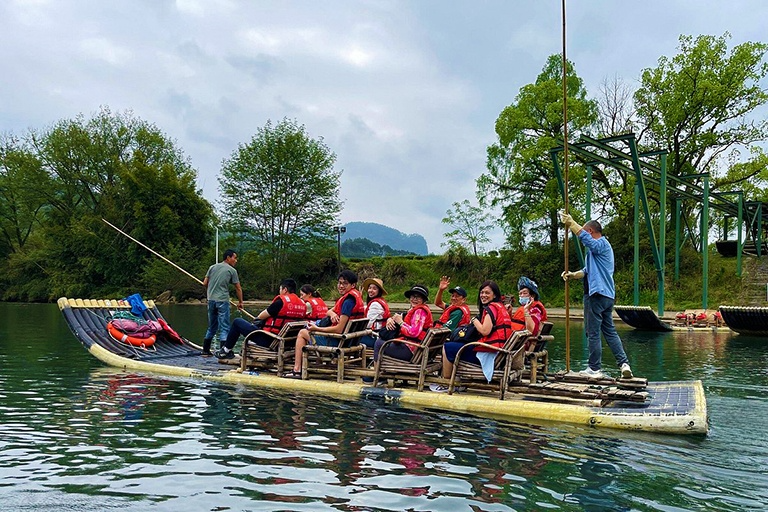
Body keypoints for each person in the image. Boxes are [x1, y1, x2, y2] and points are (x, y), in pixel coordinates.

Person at [559, 212, 633, 379]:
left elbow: (587, 240)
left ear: (591, 231)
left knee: (592, 332)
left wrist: (572, 224)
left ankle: (594, 368)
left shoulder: (601, 244)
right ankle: (623, 364)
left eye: (586, 233)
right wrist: (573, 274)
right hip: (607, 296)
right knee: (610, 331)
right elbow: (586, 271)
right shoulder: (596, 253)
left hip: (596, 295)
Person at [430, 280, 512, 393]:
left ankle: (447, 382)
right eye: (482, 292)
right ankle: (457, 379)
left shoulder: (490, 309)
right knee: (457, 346)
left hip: (489, 355)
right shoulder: (500, 307)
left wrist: (474, 321)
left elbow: (485, 331)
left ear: (495, 295)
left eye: (487, 293)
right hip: (497, 353)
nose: (483, 295)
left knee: (447, 347)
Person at [286, 270, 365, 378]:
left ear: (353, 285)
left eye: (345, 283)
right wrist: (332, 313)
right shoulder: (353, 298)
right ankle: (315, 363)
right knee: (308, 329)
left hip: (339, 341)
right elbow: (328, 311)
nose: (341, 286)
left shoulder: (348, 302)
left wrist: (316, 329)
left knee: (302, 332)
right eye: (339, 283)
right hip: (351, 340)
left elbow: (339, 329)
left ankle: (297, 370)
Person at [214, 278, 306, 359]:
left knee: (237, 322)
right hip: (289, 342)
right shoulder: (302, 304)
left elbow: (260, 316)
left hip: (272, 341)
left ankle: (226, 350)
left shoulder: (280, 302)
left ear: (285, 289)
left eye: (280, 289)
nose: (280, 292)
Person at [371, 284, 434, 363]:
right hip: (415, 349)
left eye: (418, 297)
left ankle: (376, 372)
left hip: (412, 350)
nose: (414, 299)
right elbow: (401, 317)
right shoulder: (414, 310)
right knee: (382, 342)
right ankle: (383, 369)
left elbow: (414, 333)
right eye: (412, 297)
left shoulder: (420, 311)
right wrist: (390, 319)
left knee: (379, 343)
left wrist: (401, 323)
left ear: (423, 300)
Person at [201, 249, 243, 357]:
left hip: (211, 300)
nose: (236, 260)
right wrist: (240, 302)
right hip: (222, 301)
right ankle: (224, 352)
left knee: (212, 327)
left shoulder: (212, 267)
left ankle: (205, 350)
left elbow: (205, 283)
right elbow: (238, 288)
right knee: (225, 327)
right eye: (235, 257)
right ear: (228, 258)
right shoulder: (231, 270)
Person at [359, 277, 390, 349]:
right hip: (377, 336)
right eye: (370, 288)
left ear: (379, 291)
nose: (370, 290)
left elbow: (367, 323)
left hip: (375, 338)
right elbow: (365, 308)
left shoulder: (375, 304)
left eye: (374, 288)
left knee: (349, 338)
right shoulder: (380, 301)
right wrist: (359, 299)